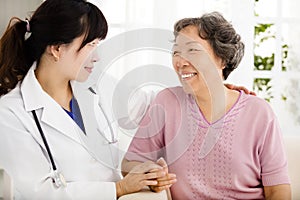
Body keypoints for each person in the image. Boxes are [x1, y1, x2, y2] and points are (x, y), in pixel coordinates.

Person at [0, 0, 168, 199]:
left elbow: (149, 107)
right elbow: (37, 192)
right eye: (90, 45)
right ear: (56, 49)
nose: (96, 56)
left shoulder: (96, 85)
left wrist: (144, 173)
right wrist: (119, 188)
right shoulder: (10, 113)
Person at [122, 12, 291, 199]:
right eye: (176, 52)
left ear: (223, 59)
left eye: (192, 50)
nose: (180, 61)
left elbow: (278, 191)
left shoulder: (259, 112)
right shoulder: (167, 103)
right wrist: (152, 175)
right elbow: (129, 164)